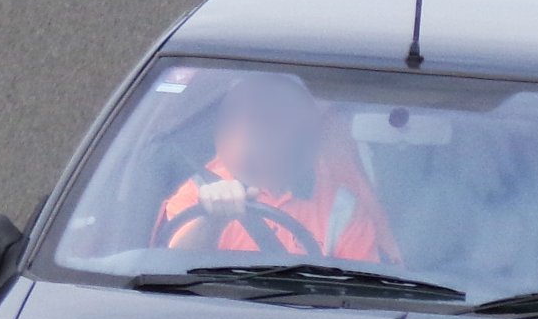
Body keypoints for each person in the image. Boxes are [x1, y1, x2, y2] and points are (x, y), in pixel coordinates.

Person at [154, 77, 399, 263]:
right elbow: (175, 269)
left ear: (299, 131)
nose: (249, 136)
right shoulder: (199, 191)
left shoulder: (341, 208)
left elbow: (359, 294)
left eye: (267, 121)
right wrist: (211, 222)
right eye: (234, 121)